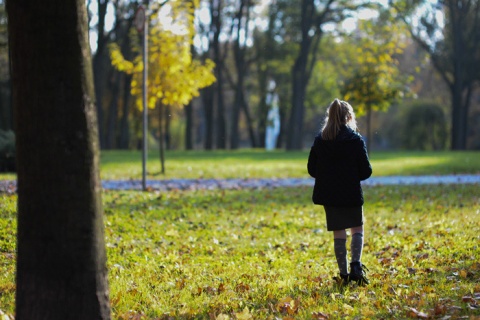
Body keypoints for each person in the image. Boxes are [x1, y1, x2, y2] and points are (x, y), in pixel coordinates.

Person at [307, 98, 372, 285]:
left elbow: (312, 169)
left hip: (330, 194)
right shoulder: (355, 140)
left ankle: (343, 274)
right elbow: (366, 171)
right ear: (349, 116)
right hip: (351, 192)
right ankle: (356, 267)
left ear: (329, 117)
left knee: (339, 232)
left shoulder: (320, 140)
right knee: (357, 228)